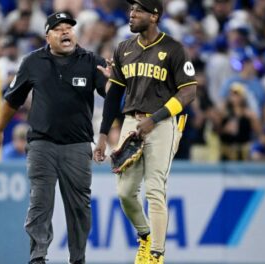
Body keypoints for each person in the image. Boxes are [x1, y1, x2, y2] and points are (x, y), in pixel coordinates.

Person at [0, 11, 107, 264]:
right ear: (47, 36)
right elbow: (12, 100)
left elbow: (108, 91)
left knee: (79, 207)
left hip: (77, 145)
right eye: (58, 28)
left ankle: (78, 258)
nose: (66, 32)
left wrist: (115, 82)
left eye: (69, 28)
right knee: (40, 202)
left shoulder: (90, 61)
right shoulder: (33, 62)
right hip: (42, 144)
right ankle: (38, 257)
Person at [93, 0, 197, 263]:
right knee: (125, 192)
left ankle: (156, 254)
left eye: (138, 10)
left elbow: (189, 92)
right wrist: (103, 136)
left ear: (154, 16)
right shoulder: (123, 49)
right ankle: (145, 235)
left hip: (162, 124)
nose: (131, 14)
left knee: (154, 189)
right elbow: (114, 94)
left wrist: (158, 117)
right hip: (131, 122)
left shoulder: (173, 49)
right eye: (131, 9)